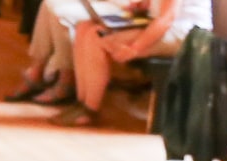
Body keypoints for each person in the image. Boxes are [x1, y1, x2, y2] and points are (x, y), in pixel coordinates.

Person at [62, 0, 208, 125]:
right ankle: (80, 103)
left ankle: (90, 109)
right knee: (84, 28)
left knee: (98, 39)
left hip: (186, 36)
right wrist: (144, 5)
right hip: (167, 27)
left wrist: (135, 48)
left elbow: (166, 19)